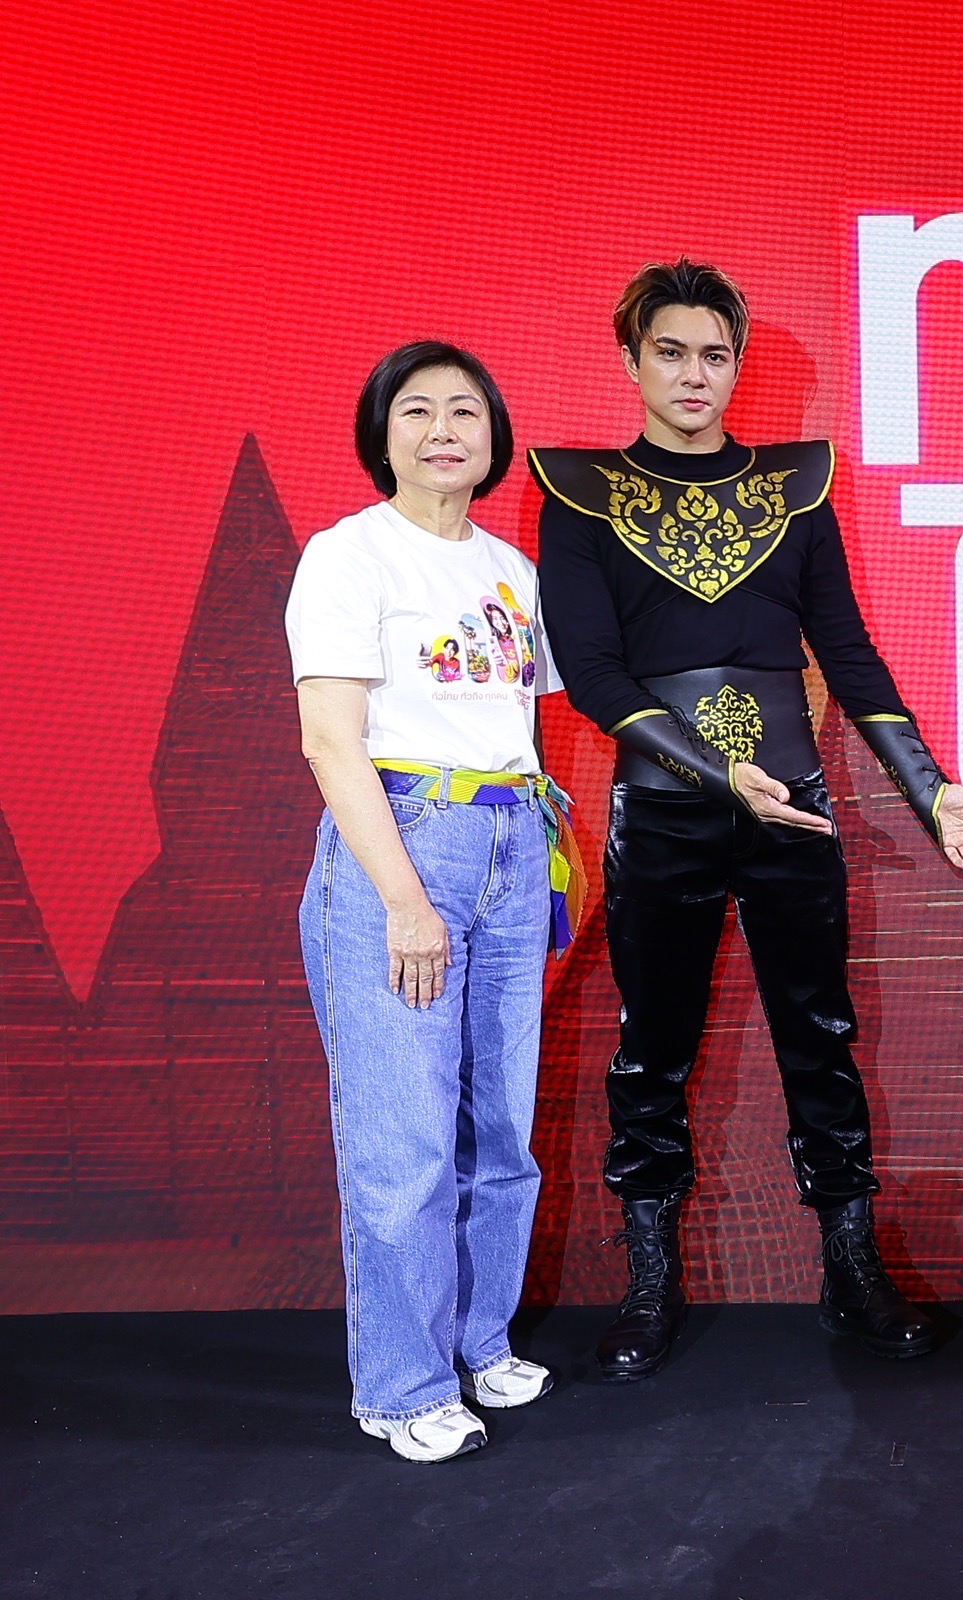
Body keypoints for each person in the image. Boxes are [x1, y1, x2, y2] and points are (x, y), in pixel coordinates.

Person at [534, 259, 963, 1381]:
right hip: (664, 811)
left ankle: (851, 1271)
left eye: (715, 355)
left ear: (737, 365)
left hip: (794, 808)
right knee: (652, 1048)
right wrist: (716, 774)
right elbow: (593, 675)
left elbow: (847, 652)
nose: (694, 375)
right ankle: (650, 1281)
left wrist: (929, 786)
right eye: (671, 352)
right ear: (632, 359)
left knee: (821, 1036)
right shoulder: (580, 493)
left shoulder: (796, 487)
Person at [289, 341, 567, 1462]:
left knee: (501, 1128)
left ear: (494, 437)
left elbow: (520, 724)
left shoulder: (512, 572)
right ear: (382, 435)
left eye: (465, 411)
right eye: (417, 411)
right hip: (403, 845)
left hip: (511, 839)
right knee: (403, 1138)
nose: (444, 429)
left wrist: (539, 854)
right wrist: (405, 899)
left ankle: (478, 1341)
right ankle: (404, 1385)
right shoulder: (348, 555)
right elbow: (330, 740)